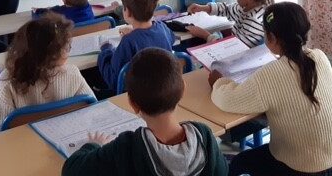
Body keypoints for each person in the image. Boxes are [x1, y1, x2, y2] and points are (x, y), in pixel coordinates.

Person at [210, 2, 332, 176]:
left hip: (303, 168)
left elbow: (226, 100)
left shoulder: (271, 73)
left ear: (272, 38)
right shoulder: (319, 57)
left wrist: (218, 82)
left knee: (239, 161)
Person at [62, 48, 228, 176]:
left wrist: (93, 145)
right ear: (183, 90)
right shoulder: (204, 136)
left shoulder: (126, 148)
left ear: (133, 104)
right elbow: (223, 171)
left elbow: (71, 170)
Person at [0, 12, 95, 134]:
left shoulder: (8, 81)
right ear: (57, 54)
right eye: (67, 47)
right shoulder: (72, 73)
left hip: (25, 144)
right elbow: (94, 110)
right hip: (66, 139)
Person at [98, 0, 175, 95]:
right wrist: (135, 32)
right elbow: (171, 39)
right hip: (162, 88)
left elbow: (114, 80)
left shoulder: (128, 41)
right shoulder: (162, 27)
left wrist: (105, 50)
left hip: (138, 95)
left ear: (128, 12)